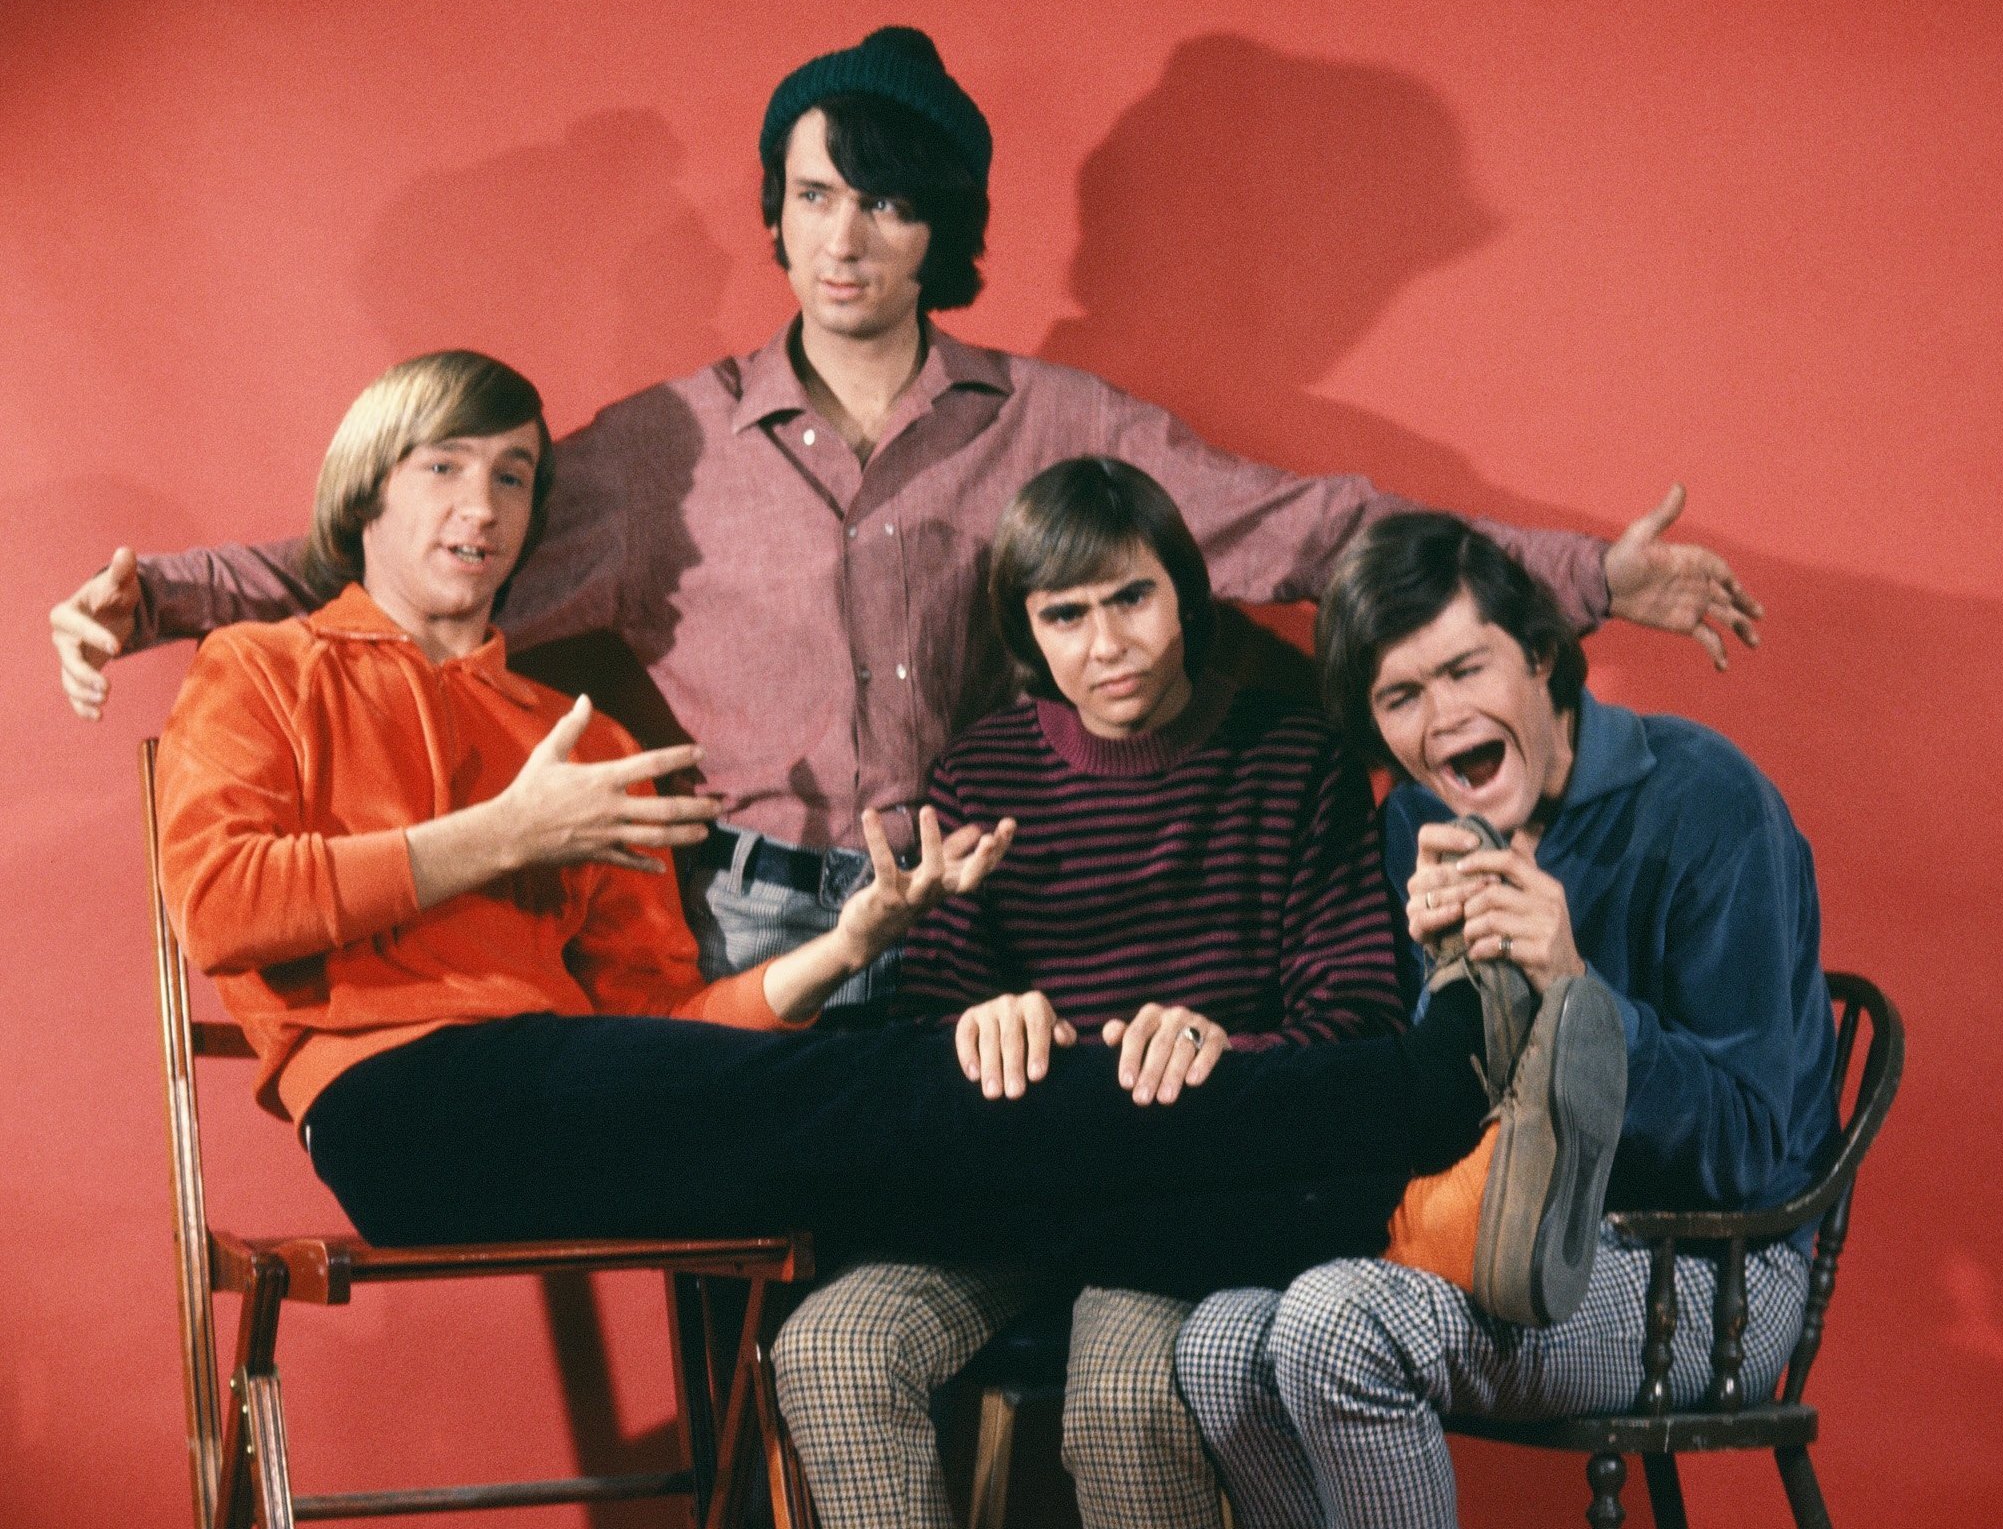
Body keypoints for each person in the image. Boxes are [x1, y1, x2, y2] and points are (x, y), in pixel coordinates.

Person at [154, 353, 1627, 1515]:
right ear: (367, 486)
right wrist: (501, 838)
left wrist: (832, 943)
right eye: (442, 470)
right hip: (404, 1108)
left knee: (893, 1088)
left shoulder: (566, 730)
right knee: (912, 1076)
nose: (479, 508)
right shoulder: (261, 669)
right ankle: (1426, 1123)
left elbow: (669, 1039)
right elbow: (220, 896)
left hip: (566, 1093)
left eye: (515, 477)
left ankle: (1380, 1181)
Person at [57, 26, 1760, 1020]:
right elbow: (410, 536)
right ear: (775, 218)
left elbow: (1307, 533)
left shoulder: (1057, 426)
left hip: (992, 919)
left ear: (939, 227)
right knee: (776, 1327)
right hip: (739, 930)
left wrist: (1586, 570)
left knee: (974, 1306)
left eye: (883, 202)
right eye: (812, 197)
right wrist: (161, 605)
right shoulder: (666, 447)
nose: (845, 236)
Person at [1173, 512, 1839, 1529]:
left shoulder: (1707, 801)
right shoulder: (1417, 822)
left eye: (1465, 671)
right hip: (1494, 1235)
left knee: (1337, 1323)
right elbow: (1428, 1114)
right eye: (1400, 695)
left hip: (1707, 1271)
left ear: (1540, 657)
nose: (1440, 719)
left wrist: (1573, 984)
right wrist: (1432, 992)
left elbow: (1751, 1151)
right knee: (1217, 1344)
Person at [773, 456, 1399, 1529]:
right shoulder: (983, 773)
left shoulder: (1297, 757)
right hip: (1017, 1191)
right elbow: (928, 1033)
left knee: (1121, 1400)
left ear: (1185, 598)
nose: (1105, 646)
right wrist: (978, 1024)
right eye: (1065, 615)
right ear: (1027, 635)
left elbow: (1358, 1022)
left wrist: (1217, 1048)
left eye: (1131, 599)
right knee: (826, 1350)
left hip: (1194, 1191)